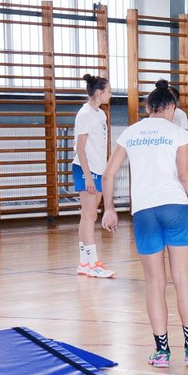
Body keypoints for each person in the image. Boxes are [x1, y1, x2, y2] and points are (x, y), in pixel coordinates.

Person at [102, 79, 188, 368]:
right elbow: (184, 175)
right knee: (181, 279)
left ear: (147, 107)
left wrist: (109, 210)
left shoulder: (130, 133)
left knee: (154, 282)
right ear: (171, 108)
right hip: (175, 207)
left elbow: (108, 175)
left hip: (144, 212)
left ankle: (162, 351)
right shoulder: (178, 133)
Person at [72, 73, 115, 278]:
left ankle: (84, 262)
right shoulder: (85, 114)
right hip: (85, 169)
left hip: (98, 168)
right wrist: (88, 177)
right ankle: (93, 262)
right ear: (99, 93)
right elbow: (80, 149)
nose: (110, 95)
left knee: (89, 215)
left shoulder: (100, 114)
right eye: (108, 91)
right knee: (89, 216)